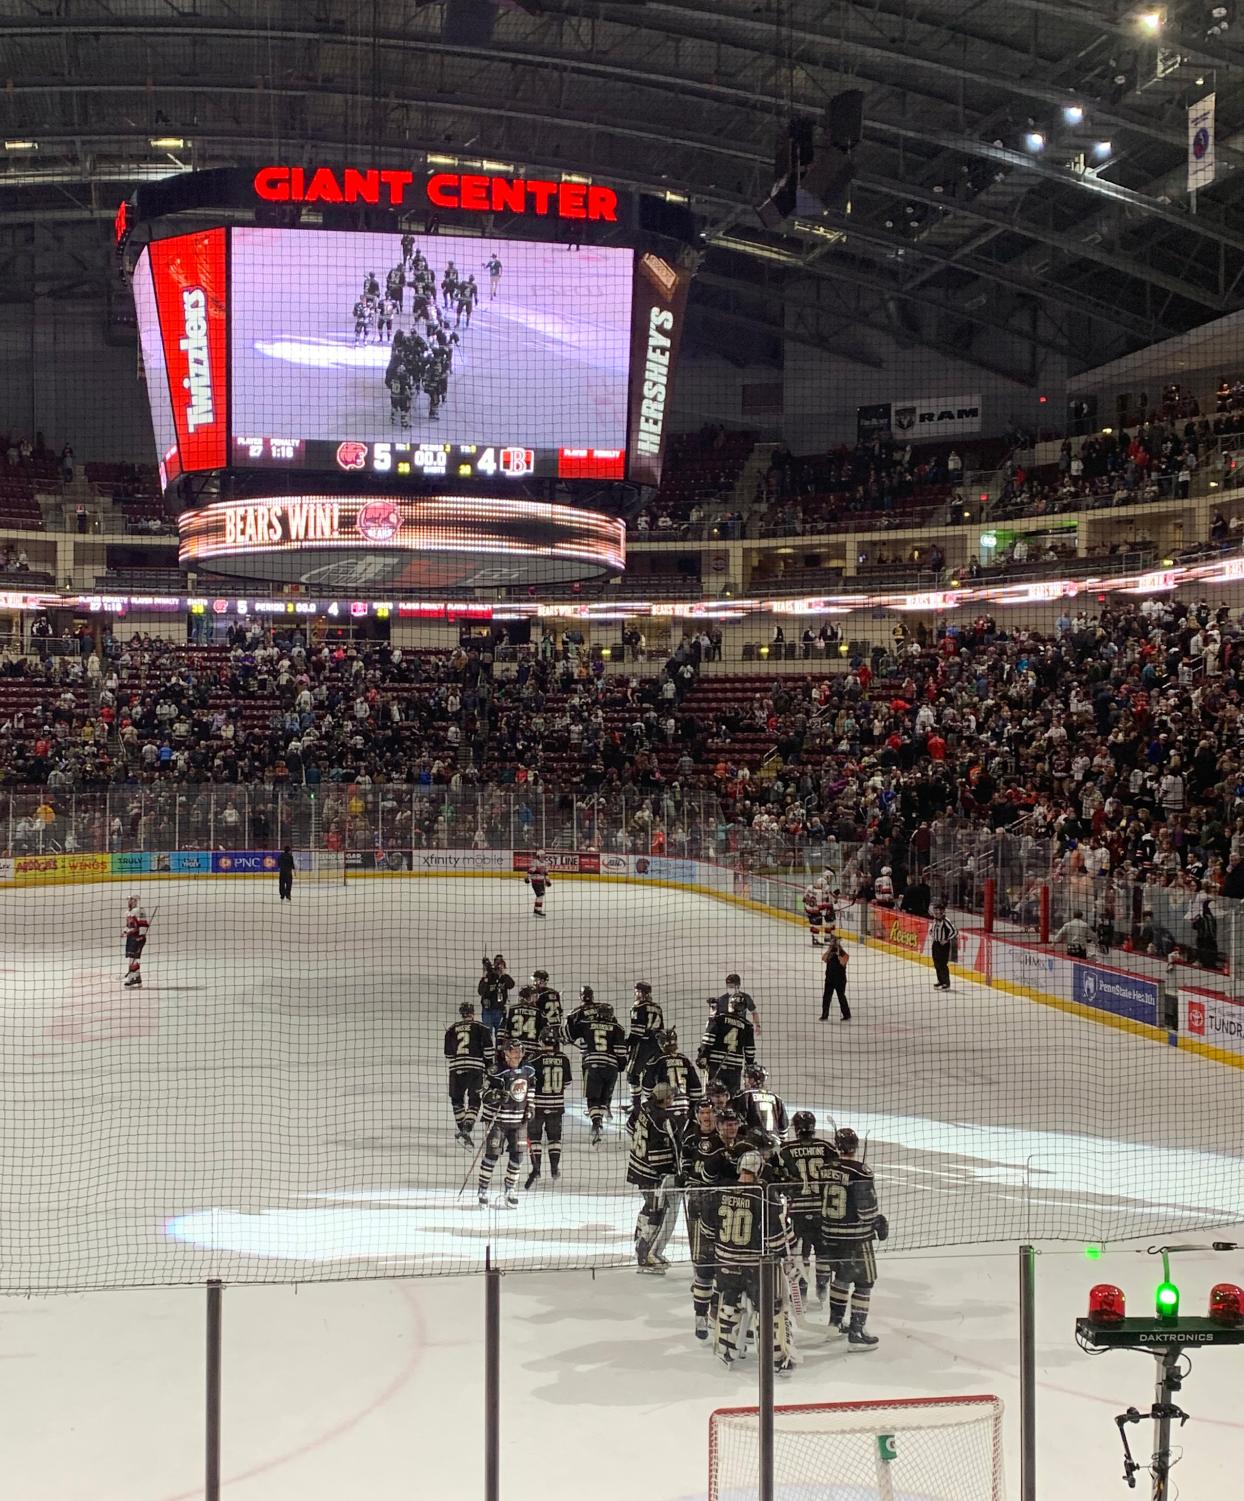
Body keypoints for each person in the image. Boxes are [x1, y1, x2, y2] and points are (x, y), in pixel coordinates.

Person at [712, 1149, 796, 1373]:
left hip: (725, 1264)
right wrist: (786, 1253)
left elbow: (709, 1227)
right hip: (753, 1267)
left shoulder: (721, 1190)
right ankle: (776, 1356)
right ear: (759, 1170)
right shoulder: (763, 1194)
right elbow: (776, 1237)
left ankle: (725, 1349)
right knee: (769, 1306)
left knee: (729, 1301)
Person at [820, 1126, 887, 1349]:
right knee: (864, 1282)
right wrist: (877, 1221)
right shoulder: (861, 1171)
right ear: (856, 1146)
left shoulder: (825, 1168)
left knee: (840, 1278)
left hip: (830, 1235)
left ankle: (835, 1323)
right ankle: (856, 1333)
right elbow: (866, 1210)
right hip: (856, 1238)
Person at [777, 1111, 840, 1306]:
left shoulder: (785, 1149)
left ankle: (802, 1293)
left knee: (800, 1253)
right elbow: (838, 1173)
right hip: (824, 1210)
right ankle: (822, 1288)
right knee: (823, 1252)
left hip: (798, 1211)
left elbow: (779, 1178)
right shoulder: (827, 1147)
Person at [683, 1099, 732, 1339]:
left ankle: (714, 1307)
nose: (706, 1116)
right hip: (699, 1201)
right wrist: (685, 1177)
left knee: (722, 1261)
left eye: (710, 1112)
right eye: (702, 1112)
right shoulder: (690, 1137)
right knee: (700, 1255)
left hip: (723, 1207)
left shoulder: (731, 1146)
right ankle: (702, 1310)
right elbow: (685, 1162)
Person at [627, 1082, 684, 1273]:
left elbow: (630, 1127)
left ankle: (640, 1245)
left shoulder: (642, 1108)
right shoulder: (663, 1120)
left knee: (649, 1207)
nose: (673, 1099)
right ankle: (646, 1254)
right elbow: (665, 1153)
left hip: (637, 1168)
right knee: (657, 1211)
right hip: (652, 1175)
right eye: (671, 1096)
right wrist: (674, 1173)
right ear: (666, 1099)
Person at [476, 1040, 535, 1208]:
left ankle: (510, 1190)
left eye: (520, 1051)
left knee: (518, 1156)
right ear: (506, 1053)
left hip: (518, 1122)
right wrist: (495, 1095)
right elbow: (483, 1095)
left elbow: (530, 1090)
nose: (518, 1054)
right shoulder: (495, 1071)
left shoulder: (528, 1071)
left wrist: (531, 1108)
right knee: (492, 1155)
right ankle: (483, 1190)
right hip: (498, 1121)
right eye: (514, 1051)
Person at [568, 996, 627, 1144]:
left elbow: (569, 1035)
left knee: (593, 1098)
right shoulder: (618, 1028)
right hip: (611, 1067)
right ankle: (601, 1115)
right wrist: (621, 1065)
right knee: (604, 1098)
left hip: (592, 1065)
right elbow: (620, 1051)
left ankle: (596, 1123)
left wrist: (569, 1020)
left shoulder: (586, 1023)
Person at [525, 1028, 572, 1187]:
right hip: (556, 1105)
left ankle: (536, 1169)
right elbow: (567, 1082)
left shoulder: (534, 1057)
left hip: (536, 1105)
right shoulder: (563, 1058)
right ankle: (554, 1168)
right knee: (554, 1139)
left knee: (534, 1138)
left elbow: (527, 1080)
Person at [444, 1001, 492, 1147]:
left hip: (456, 1068)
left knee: (457, 1100)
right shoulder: (481, 1027)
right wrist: (489, 1068)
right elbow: (489, 1052)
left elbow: (448, 1055)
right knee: (474, 1100)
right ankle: (467, 1127)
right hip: (475, 1068)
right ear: (473, 1013)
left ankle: (462, 1129)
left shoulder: (451, 1029)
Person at [698, 997, 757, 1096]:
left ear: (730, 1005)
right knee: (732, 1097)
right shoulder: (747, 1025)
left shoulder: (719, 1019)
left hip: (716, 1064)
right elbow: (750, 1050)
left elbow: (709, 1039)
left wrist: (702, 1055)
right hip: (735, 1068)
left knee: (712, 1095)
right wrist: (749, 1064)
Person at [626, 979, 665, 1111]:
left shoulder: (638, 1007)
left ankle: (636, 1105)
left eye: (637, 991)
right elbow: (661, 1029)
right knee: (651, 1074)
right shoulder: (657, 1007)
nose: (635, 994)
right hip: (657, 1045)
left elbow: (637, 1031)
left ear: (642, 993)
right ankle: (653, 1103)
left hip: (642, 1045)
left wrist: (627, 1044)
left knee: (632, 1074)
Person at [732, 1063, 789, 1139]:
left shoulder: (744, 1096)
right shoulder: (776, 1098)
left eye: (746, 1077)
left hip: (752, 1144)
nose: (744, 1081)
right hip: (774, 1144)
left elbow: (735, 1121)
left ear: (753, 1079)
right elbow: (784, 1128)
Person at [821, 933, 851, 1019]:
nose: (832, 945)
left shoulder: (843, 954)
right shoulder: (830, 954)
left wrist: (838, 955)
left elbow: (843, 962)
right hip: (829, 979)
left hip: (840, 980)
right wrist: (829, 950)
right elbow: (823, 958)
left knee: (841, 997)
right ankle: (824, 1015)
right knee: (826, 997)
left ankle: (847, 1015)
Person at [123, 894, 149, 988]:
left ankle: (132, 978)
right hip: (131, 938)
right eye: (129, 900)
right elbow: (129, 925)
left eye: (130, 900)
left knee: (133, 958)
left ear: (135, 901)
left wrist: (141, 935)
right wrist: (125, 931)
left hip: (137, 937)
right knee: (132, 957)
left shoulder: (139, 910)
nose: (129, 902)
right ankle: (136, 977)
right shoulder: (128, 912)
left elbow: (143, 923)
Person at [929, 902, 958, 988]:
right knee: (936, 963)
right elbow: (931, 930)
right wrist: (933, 934)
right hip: (936, 944)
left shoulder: (946, 921)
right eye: (935, 910)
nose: (936, 912)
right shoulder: (934, 920)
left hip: (943, 945)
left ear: (942, 911)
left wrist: (946, 940)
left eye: (937, 910)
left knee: (942, 964)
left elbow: (955, 931)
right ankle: (940, 981)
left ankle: (946, 982)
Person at [525, 850, 550, 918]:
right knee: (540, 895)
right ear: (538, 856)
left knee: (541, 896)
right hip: (535, 881)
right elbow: (530, 871)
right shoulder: (535, 862)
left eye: (544, 856)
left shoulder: (545, 863)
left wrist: (547, 881)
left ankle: (536, 911)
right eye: (542, 856)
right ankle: (538, 911)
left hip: (541, 882)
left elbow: (546, 873)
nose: (543, 857)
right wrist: (527, 878)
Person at [803, 879, 826, 945]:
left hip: (807, 909)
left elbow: (804, 899)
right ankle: (815, 940)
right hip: (815, 911)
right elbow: (820, 905)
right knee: (817, 925)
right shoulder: (820, 892)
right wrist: (826, 908)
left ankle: (814, 938)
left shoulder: (809, 887)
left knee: (813, 924)